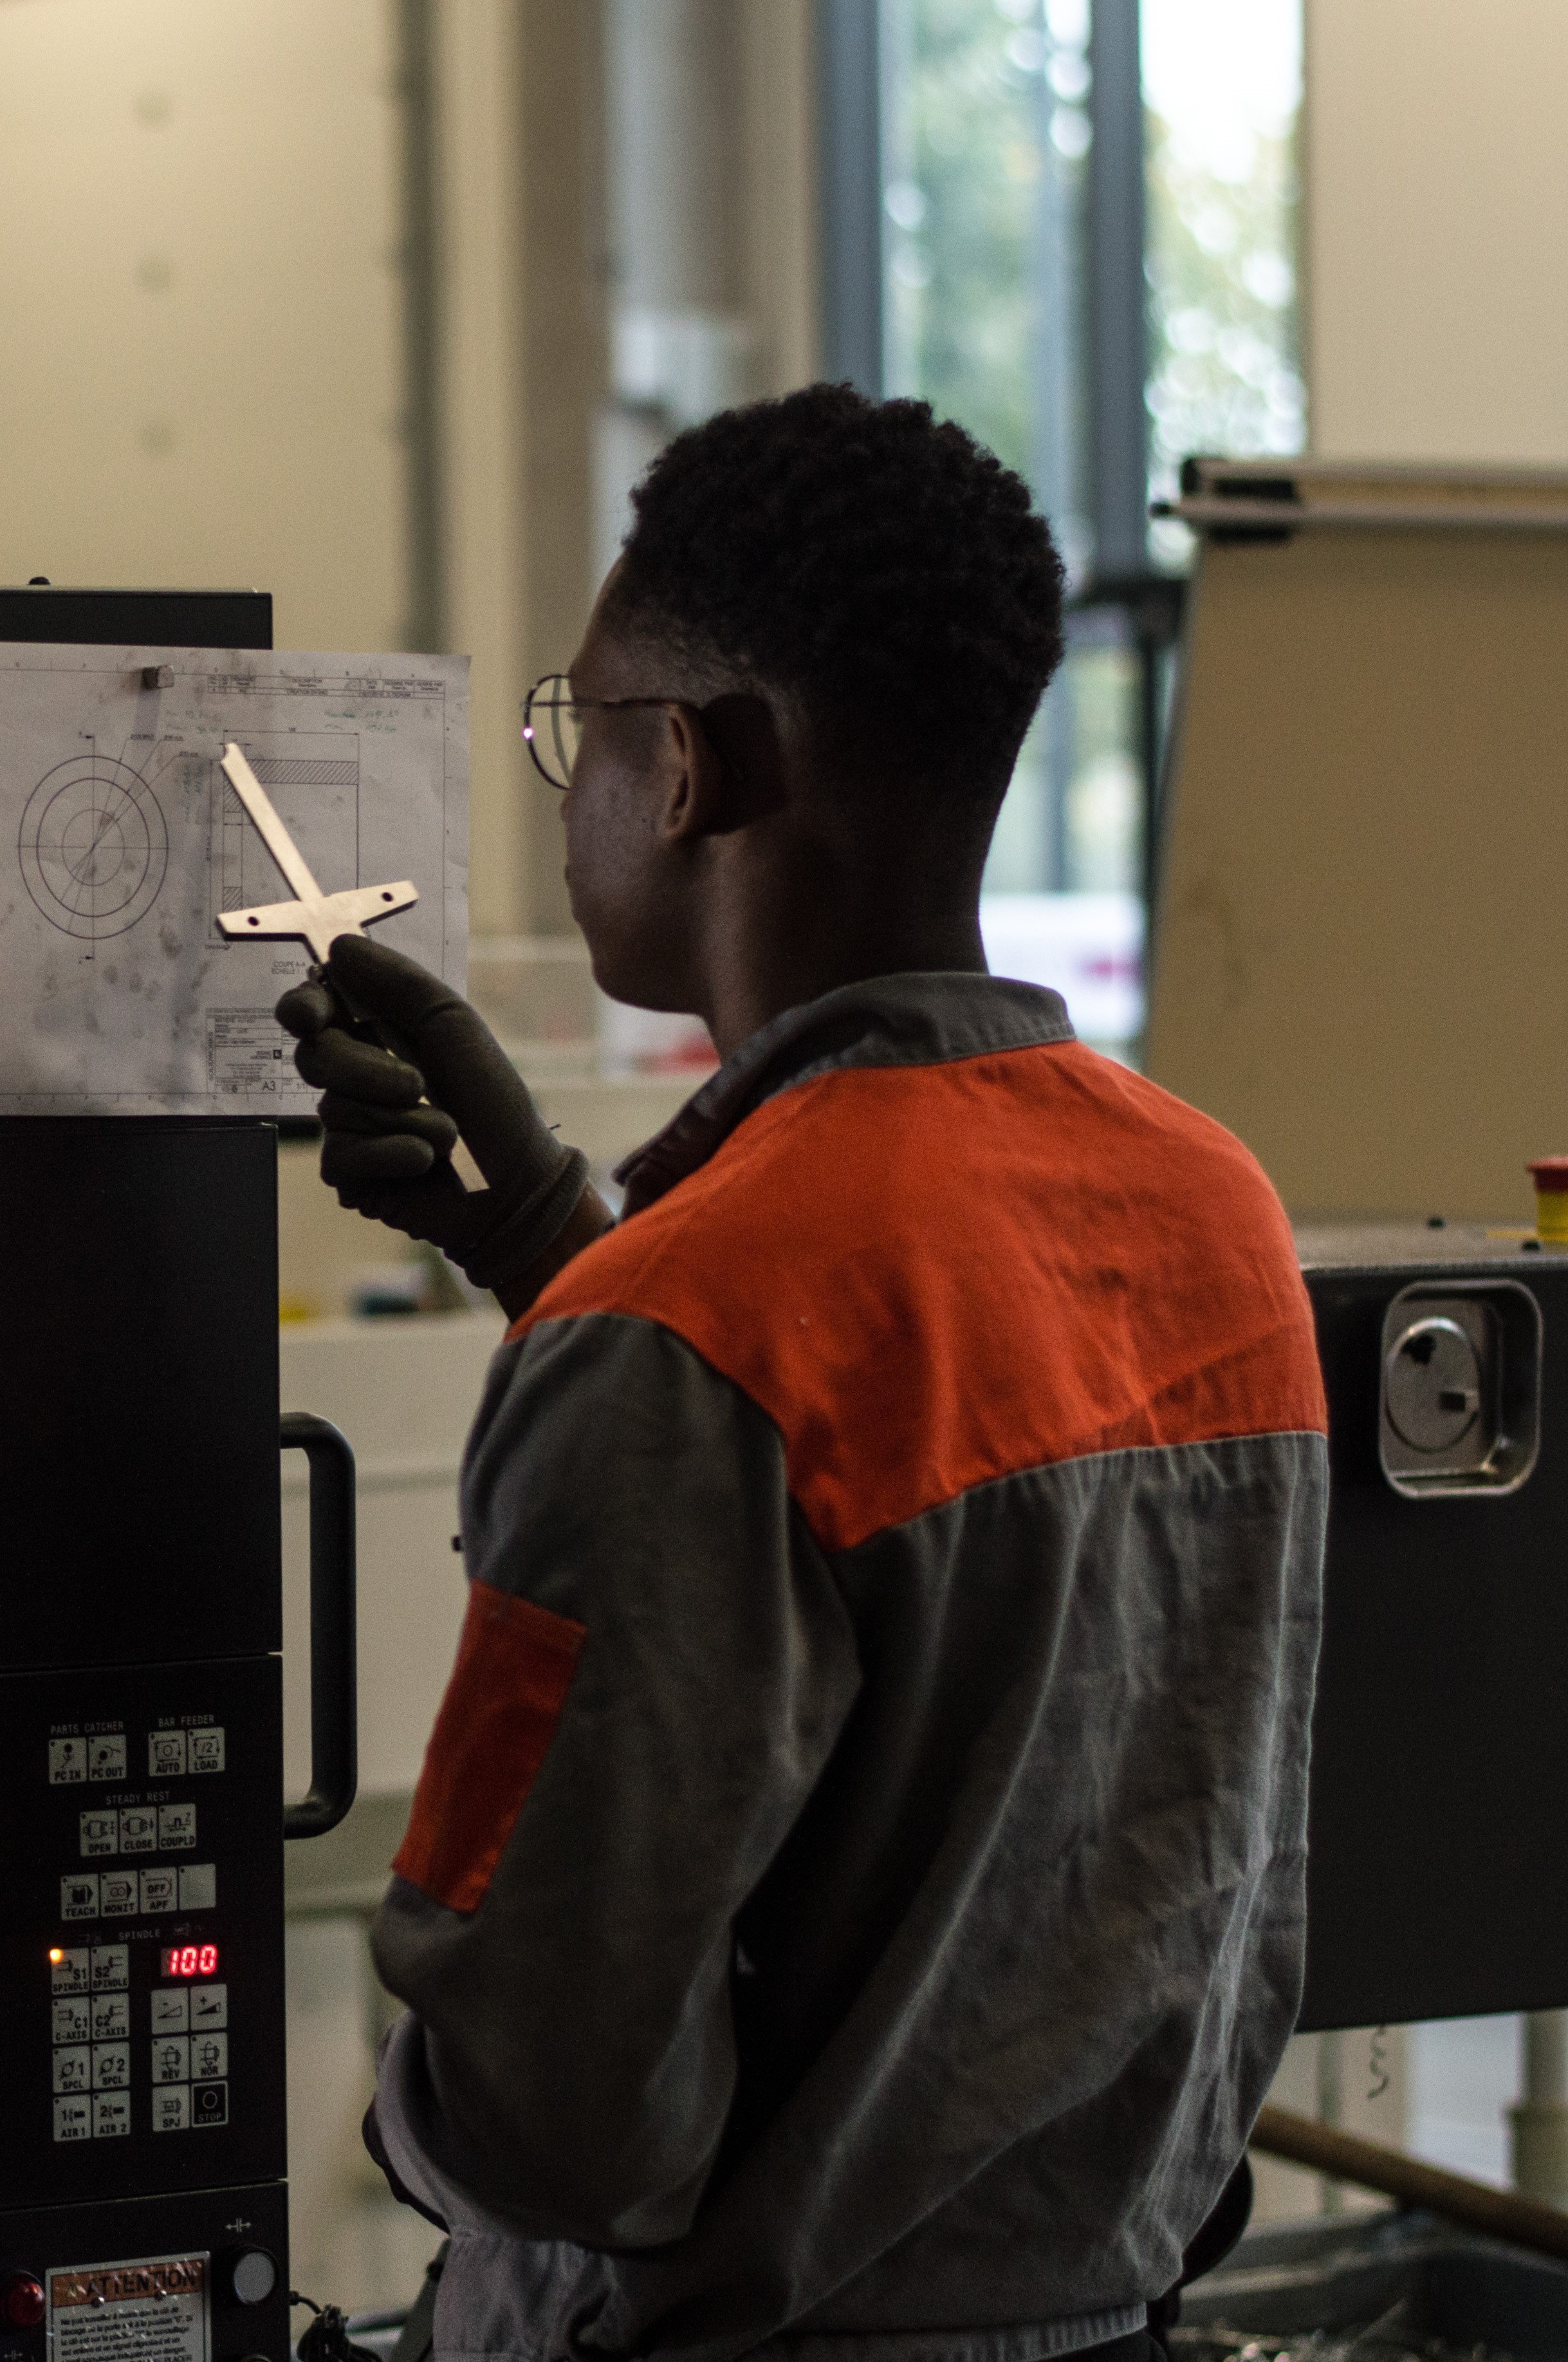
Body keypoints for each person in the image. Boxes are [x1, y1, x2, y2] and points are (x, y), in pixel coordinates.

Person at [281, 385, 1324, 2361]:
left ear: (686, 767)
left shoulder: (683, 1335)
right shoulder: (1215, 1218)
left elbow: (552, 2111)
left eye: (572, 731)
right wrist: (547, 1245)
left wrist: (406, 2142)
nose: (564, 786)